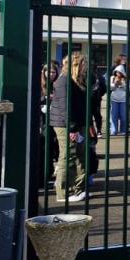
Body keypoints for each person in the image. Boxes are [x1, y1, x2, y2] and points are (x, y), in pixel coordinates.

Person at [50, 53, 92, 202]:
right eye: (84, 64)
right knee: (67, 156)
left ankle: (78, 189)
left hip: (76, 123)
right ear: (76, 65)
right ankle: (62, 193)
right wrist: (72, 128)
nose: (86, 68)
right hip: (65, 124)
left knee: (81, 155)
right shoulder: (64, 81)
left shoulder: (76, 81)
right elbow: (65, 108)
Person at [109, 69, 129, 135]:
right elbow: (111, 88)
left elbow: (129, 88)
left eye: (120, 72)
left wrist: (122, 84)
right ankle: (114, 130)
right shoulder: (112, 78)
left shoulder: (126, 78)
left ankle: (123, 130)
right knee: (114, 116)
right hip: (114, 99)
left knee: (123, 116)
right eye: (117, 72)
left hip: (123, 99)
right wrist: (115, 84)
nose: (119, 73)